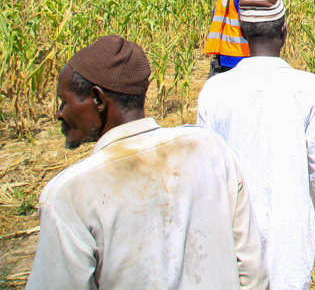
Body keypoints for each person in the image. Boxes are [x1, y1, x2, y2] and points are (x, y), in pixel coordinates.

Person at [27, 36, 268, 289]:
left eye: (64, 102)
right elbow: (253, 271)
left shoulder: (70, 195)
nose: (59, 113)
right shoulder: (211, 149)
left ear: (98, 99)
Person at [197, 0, 315, 290]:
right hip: (289, 220)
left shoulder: (214, 90)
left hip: (231, 226)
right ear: (283, 30)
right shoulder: (306, 86)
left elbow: (204, 167)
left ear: (243, 32)